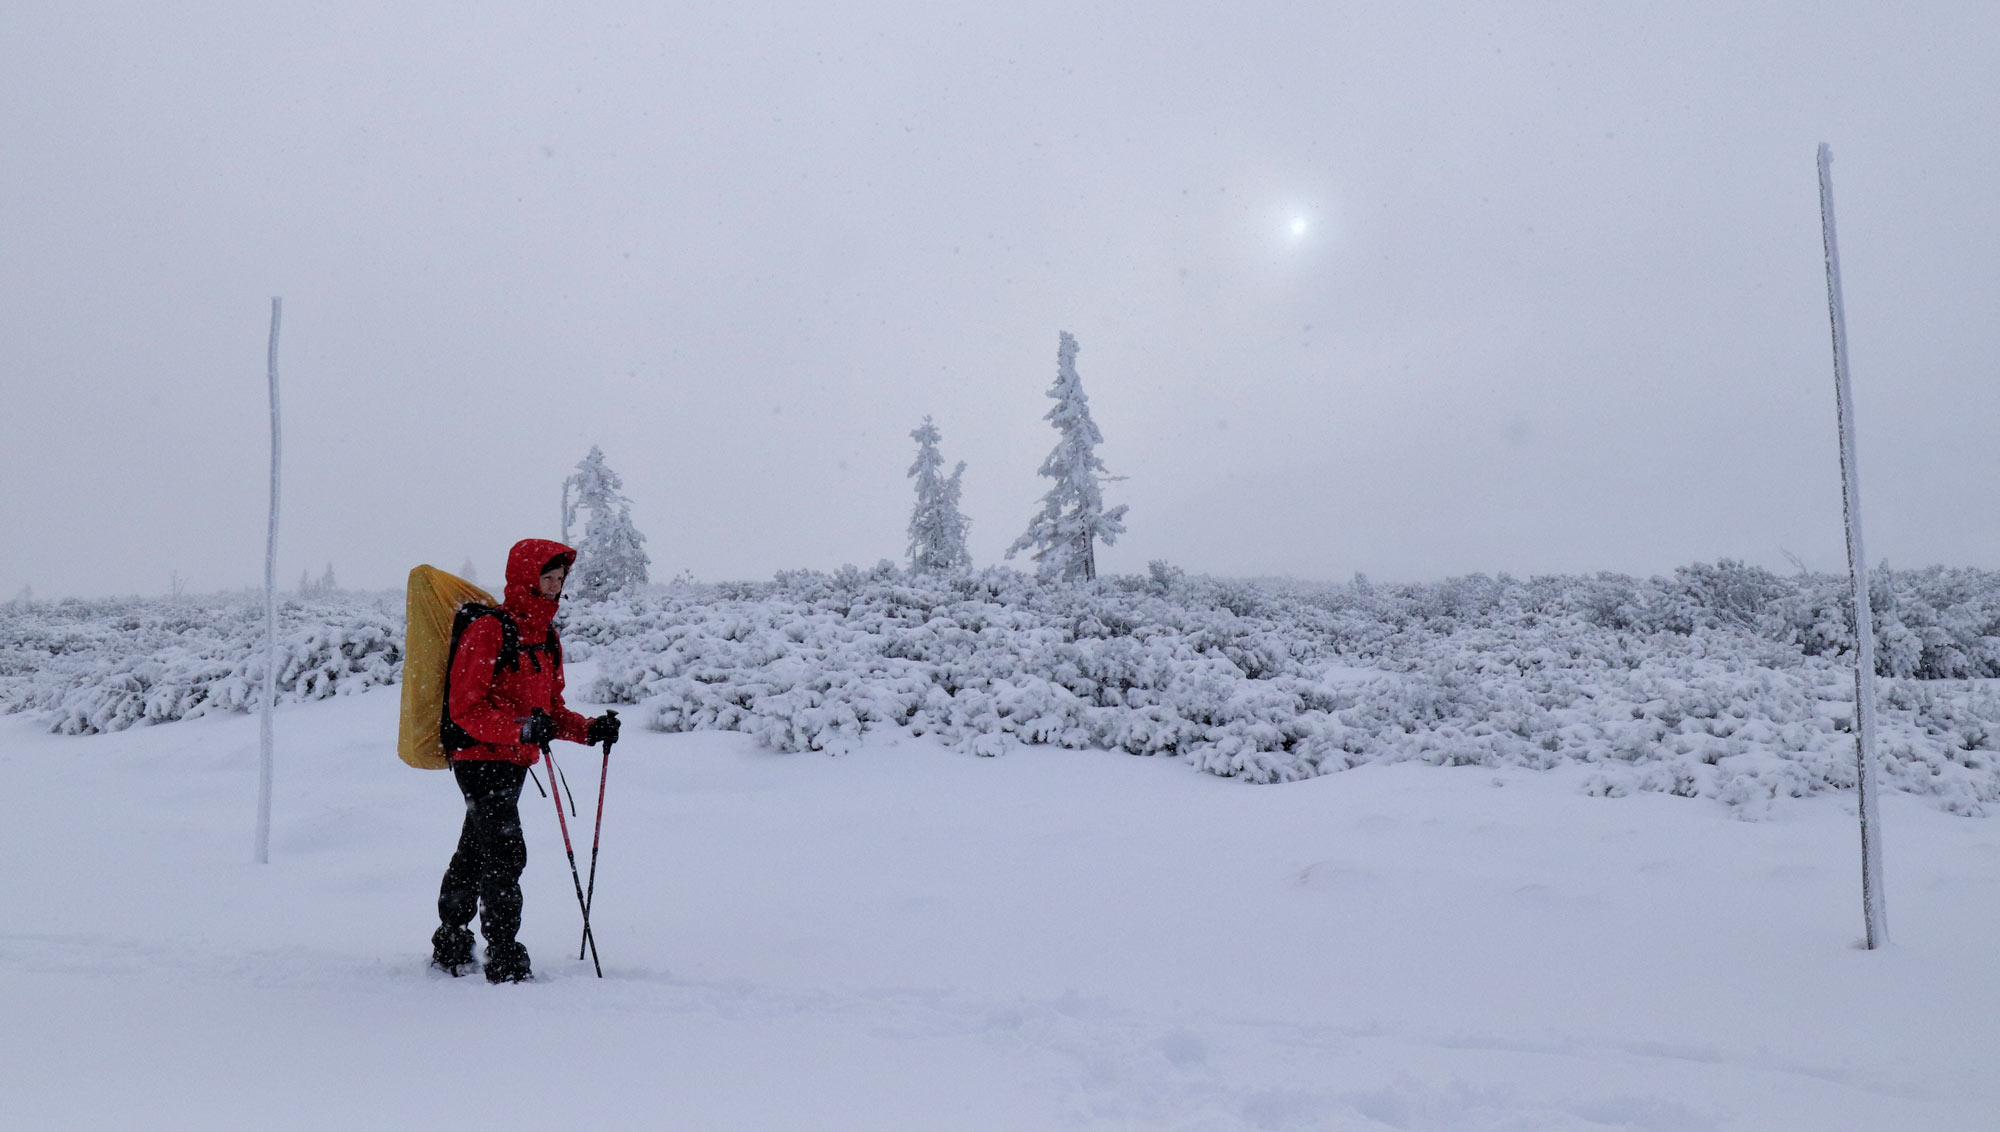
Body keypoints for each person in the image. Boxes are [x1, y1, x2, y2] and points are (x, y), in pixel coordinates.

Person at [429, 538, 620, 982]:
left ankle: (451, 939)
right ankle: (504, 954)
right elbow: (465, 708)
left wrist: (589, 730)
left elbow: (550, 709)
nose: (554, 588)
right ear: (525, 578)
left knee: (476, 849)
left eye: (559, 580)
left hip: (514, 759)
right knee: (506, 850)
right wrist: (519, 728)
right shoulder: (490, 630)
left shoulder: (546, 637)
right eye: (547, 578)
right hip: (478, 756)